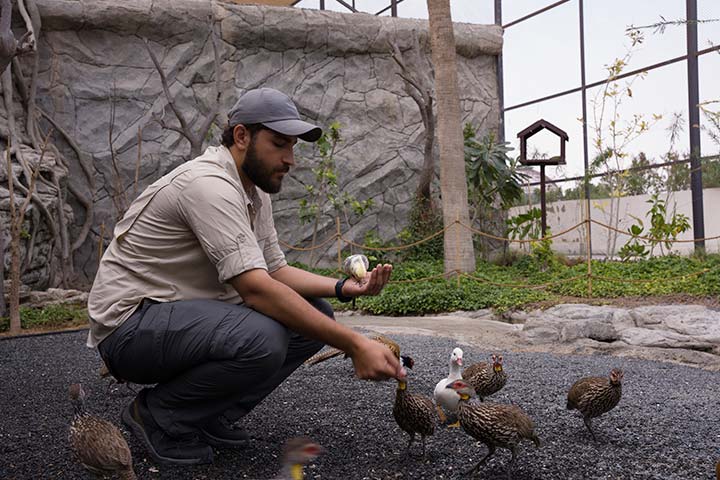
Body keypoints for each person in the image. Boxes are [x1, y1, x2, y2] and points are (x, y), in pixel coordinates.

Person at [87, 88, 404, 466]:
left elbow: (274, 271)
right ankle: (159, 415)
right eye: (279, 144)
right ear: (241, 136)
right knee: (262, 336)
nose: (290, 159)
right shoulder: (208, 185)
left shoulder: (252, 189)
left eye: (293, 147)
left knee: (313, 314)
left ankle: (204, 414)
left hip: (175, 316)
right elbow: (256, 290)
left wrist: (346, 288)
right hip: (129, 327)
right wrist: (355, 344)